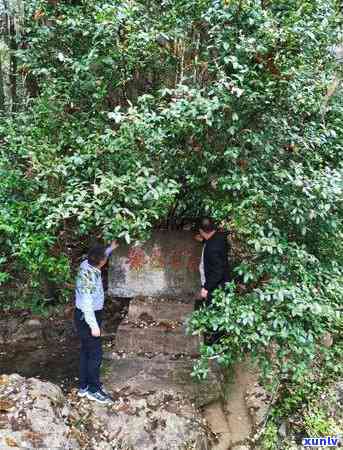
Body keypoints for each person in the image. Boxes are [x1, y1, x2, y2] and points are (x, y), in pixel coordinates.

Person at [74, 240, 118, 404]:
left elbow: (100, 256)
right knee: (96, 354)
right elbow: (86, 305)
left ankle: (83, 386)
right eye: (105, 258)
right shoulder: (88, 279)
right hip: (87, 316)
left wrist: (110, 249)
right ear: (102, 262)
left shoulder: (86, 263)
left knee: (86, 351)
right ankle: (94, 389)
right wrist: (93, 326)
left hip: (84, 314)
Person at [195, 217, 230, 342]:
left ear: (201, 231)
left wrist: (206, 287)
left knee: (214, 314)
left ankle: (214, 344)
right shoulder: (219, 238)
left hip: (216, 287)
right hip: (222, 284)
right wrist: (204, 240)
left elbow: (217, 271)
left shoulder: (212, 248)